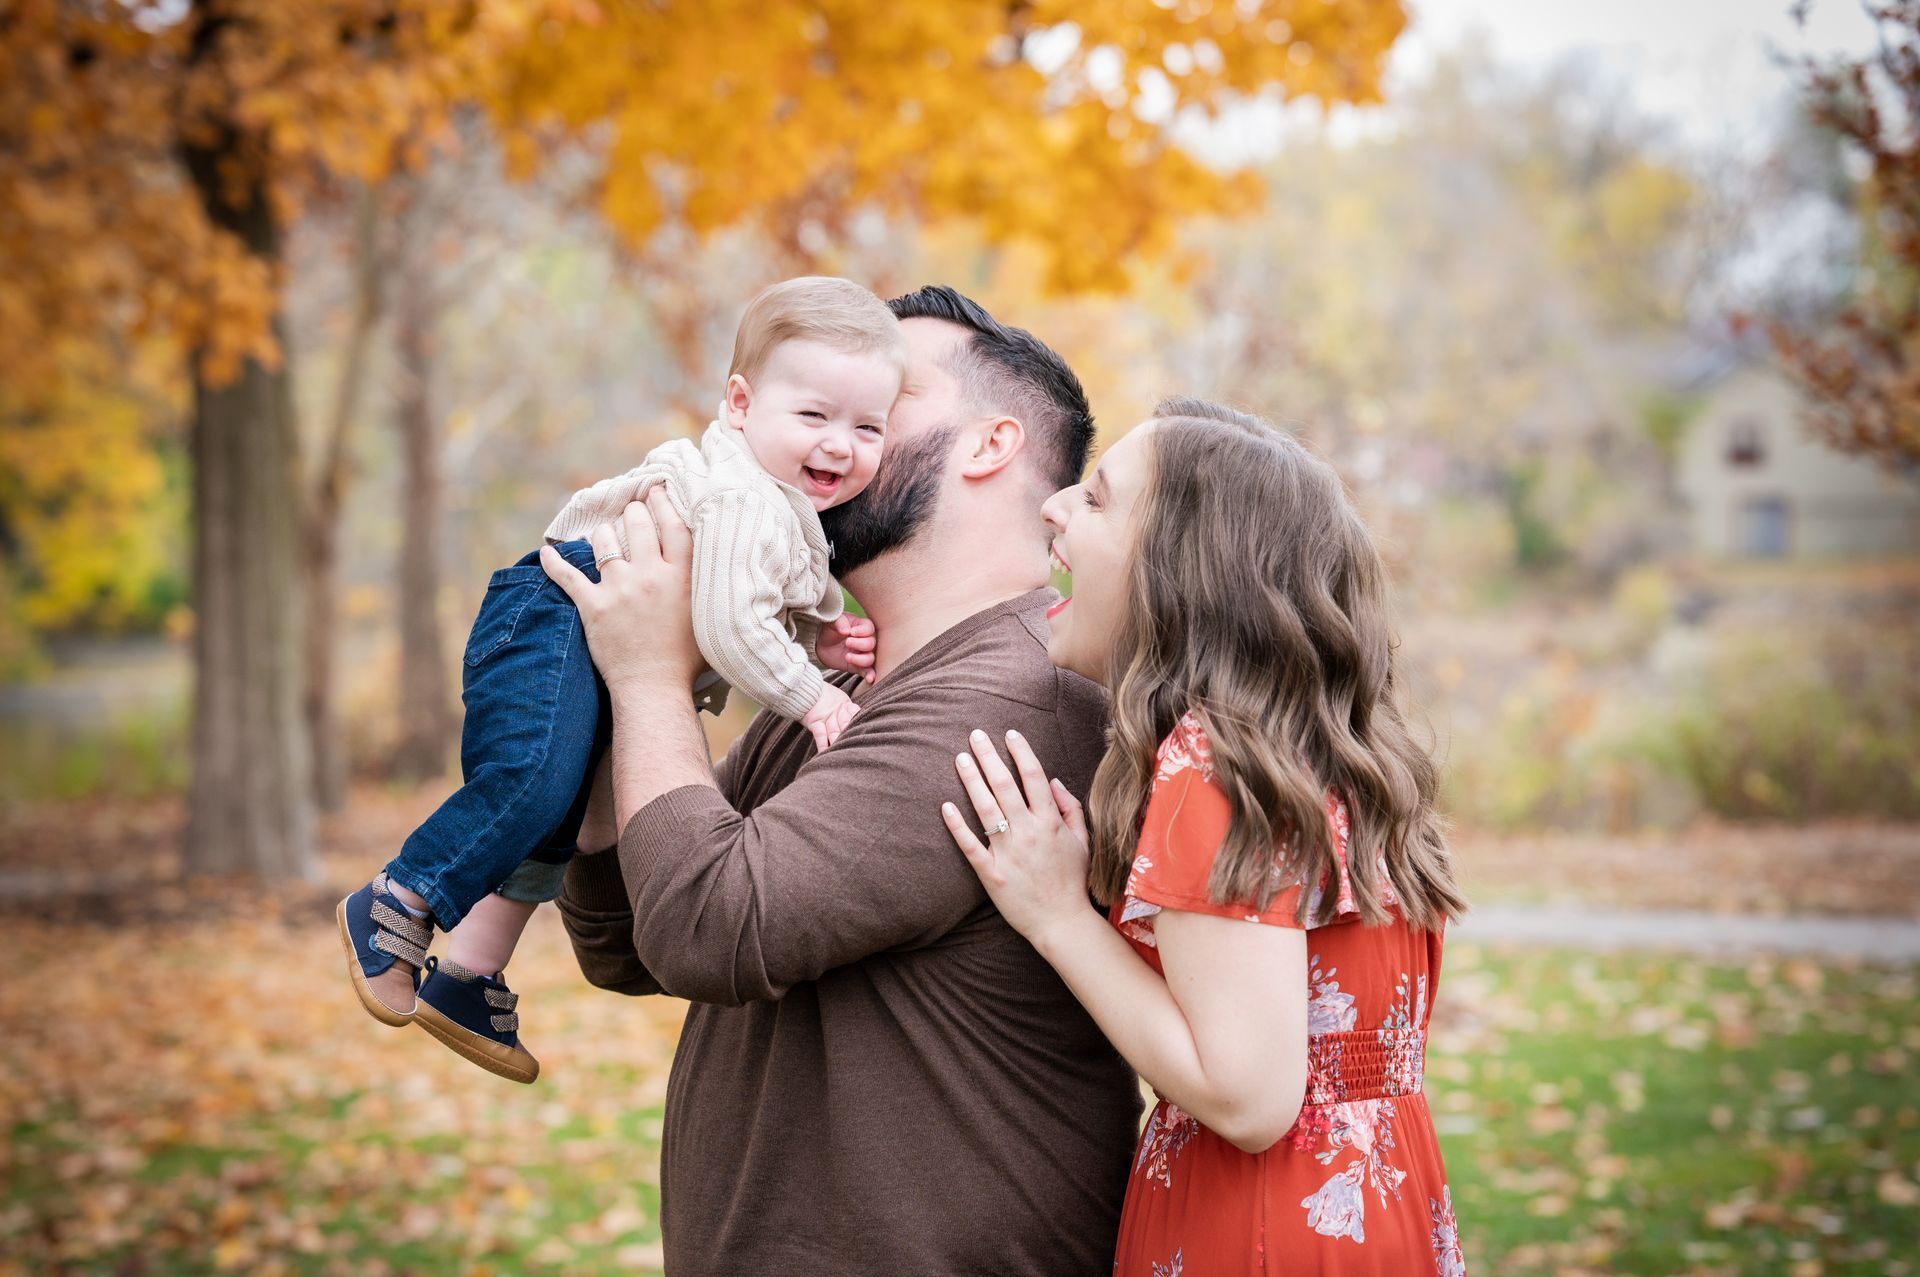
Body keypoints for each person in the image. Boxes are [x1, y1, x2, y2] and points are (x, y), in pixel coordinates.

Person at [539, 286, 1142, 1275]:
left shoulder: (1013, 698)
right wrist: (643, 669)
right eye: (814, 397)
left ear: (986, 447)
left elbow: (706, 922)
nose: (829, 429)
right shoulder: (839, 682)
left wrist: (648, 675)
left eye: (879, 399)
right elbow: (628, 933)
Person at [941, 399, 1470, 1276]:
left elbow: (1246, 1094)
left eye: (1100, 500)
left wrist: (1058, 917)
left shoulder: (1214, 765)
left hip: (1263, 1227)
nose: (1055, 506)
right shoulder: (1302, 750)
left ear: (1179, 573)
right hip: (1377, 1204)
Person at [338, 277, 899, 1083]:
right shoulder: (748, 498)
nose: (841, 444)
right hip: (553, 612)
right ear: (739, 404)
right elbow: (731, 626)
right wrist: (813, 695)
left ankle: (469, 977)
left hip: (594, 632)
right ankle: (397, 897)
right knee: (532, 782)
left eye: (868, 426)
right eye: (814, 415)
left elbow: (745, 604)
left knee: (557, 815)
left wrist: (819, 641)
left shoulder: (777, 506)